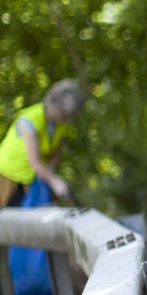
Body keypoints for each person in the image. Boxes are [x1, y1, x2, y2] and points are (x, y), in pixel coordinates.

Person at [0, 78, 84, 208]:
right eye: (65, 115)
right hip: (9, 176)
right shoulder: (29, 121)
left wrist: (48, 174)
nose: (67, 119)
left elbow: (55, 155)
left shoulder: (60, 125)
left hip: (33, 178)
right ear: (56, 106)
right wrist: (54, 181)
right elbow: (34, 161)